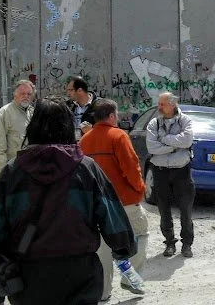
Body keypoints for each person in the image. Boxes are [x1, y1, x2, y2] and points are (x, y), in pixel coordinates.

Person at [0, 98, 136, 305]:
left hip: (28, 276)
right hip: (80, 272)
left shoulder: (13, 172)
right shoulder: (87, 169)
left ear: (32, 127)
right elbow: (111, 213)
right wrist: (123, 247)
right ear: (69, 126)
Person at [80, 99, 149, 301]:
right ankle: (130, 278)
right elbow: (131, 168)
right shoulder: (119, 136)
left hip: (95, 204)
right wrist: (140, 189)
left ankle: (102, 292)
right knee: (140, 235)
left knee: (101, 246)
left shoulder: (84, 140)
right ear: (111, 116)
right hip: (124, 202)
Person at [146, 92, 195, 258]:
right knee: (163, 209)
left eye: (162, 104)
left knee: (185, 209)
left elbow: (187, 141)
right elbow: (152, 148)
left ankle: (187, 244)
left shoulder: (185, 121)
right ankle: (169, 242)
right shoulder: (154, 123)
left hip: (181, 170)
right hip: (160, 172)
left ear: (173, 104)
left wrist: (165, 139)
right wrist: (174, 146)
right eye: (159, 104)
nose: (159, 107)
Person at [0, 80, 36, 170]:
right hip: (14, 168)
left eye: (29, 94)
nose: (26, 96)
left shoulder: (33, 112)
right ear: (15, 94)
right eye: (22, 94)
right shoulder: (4, 114)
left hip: (32, 167)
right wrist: (5, 169)